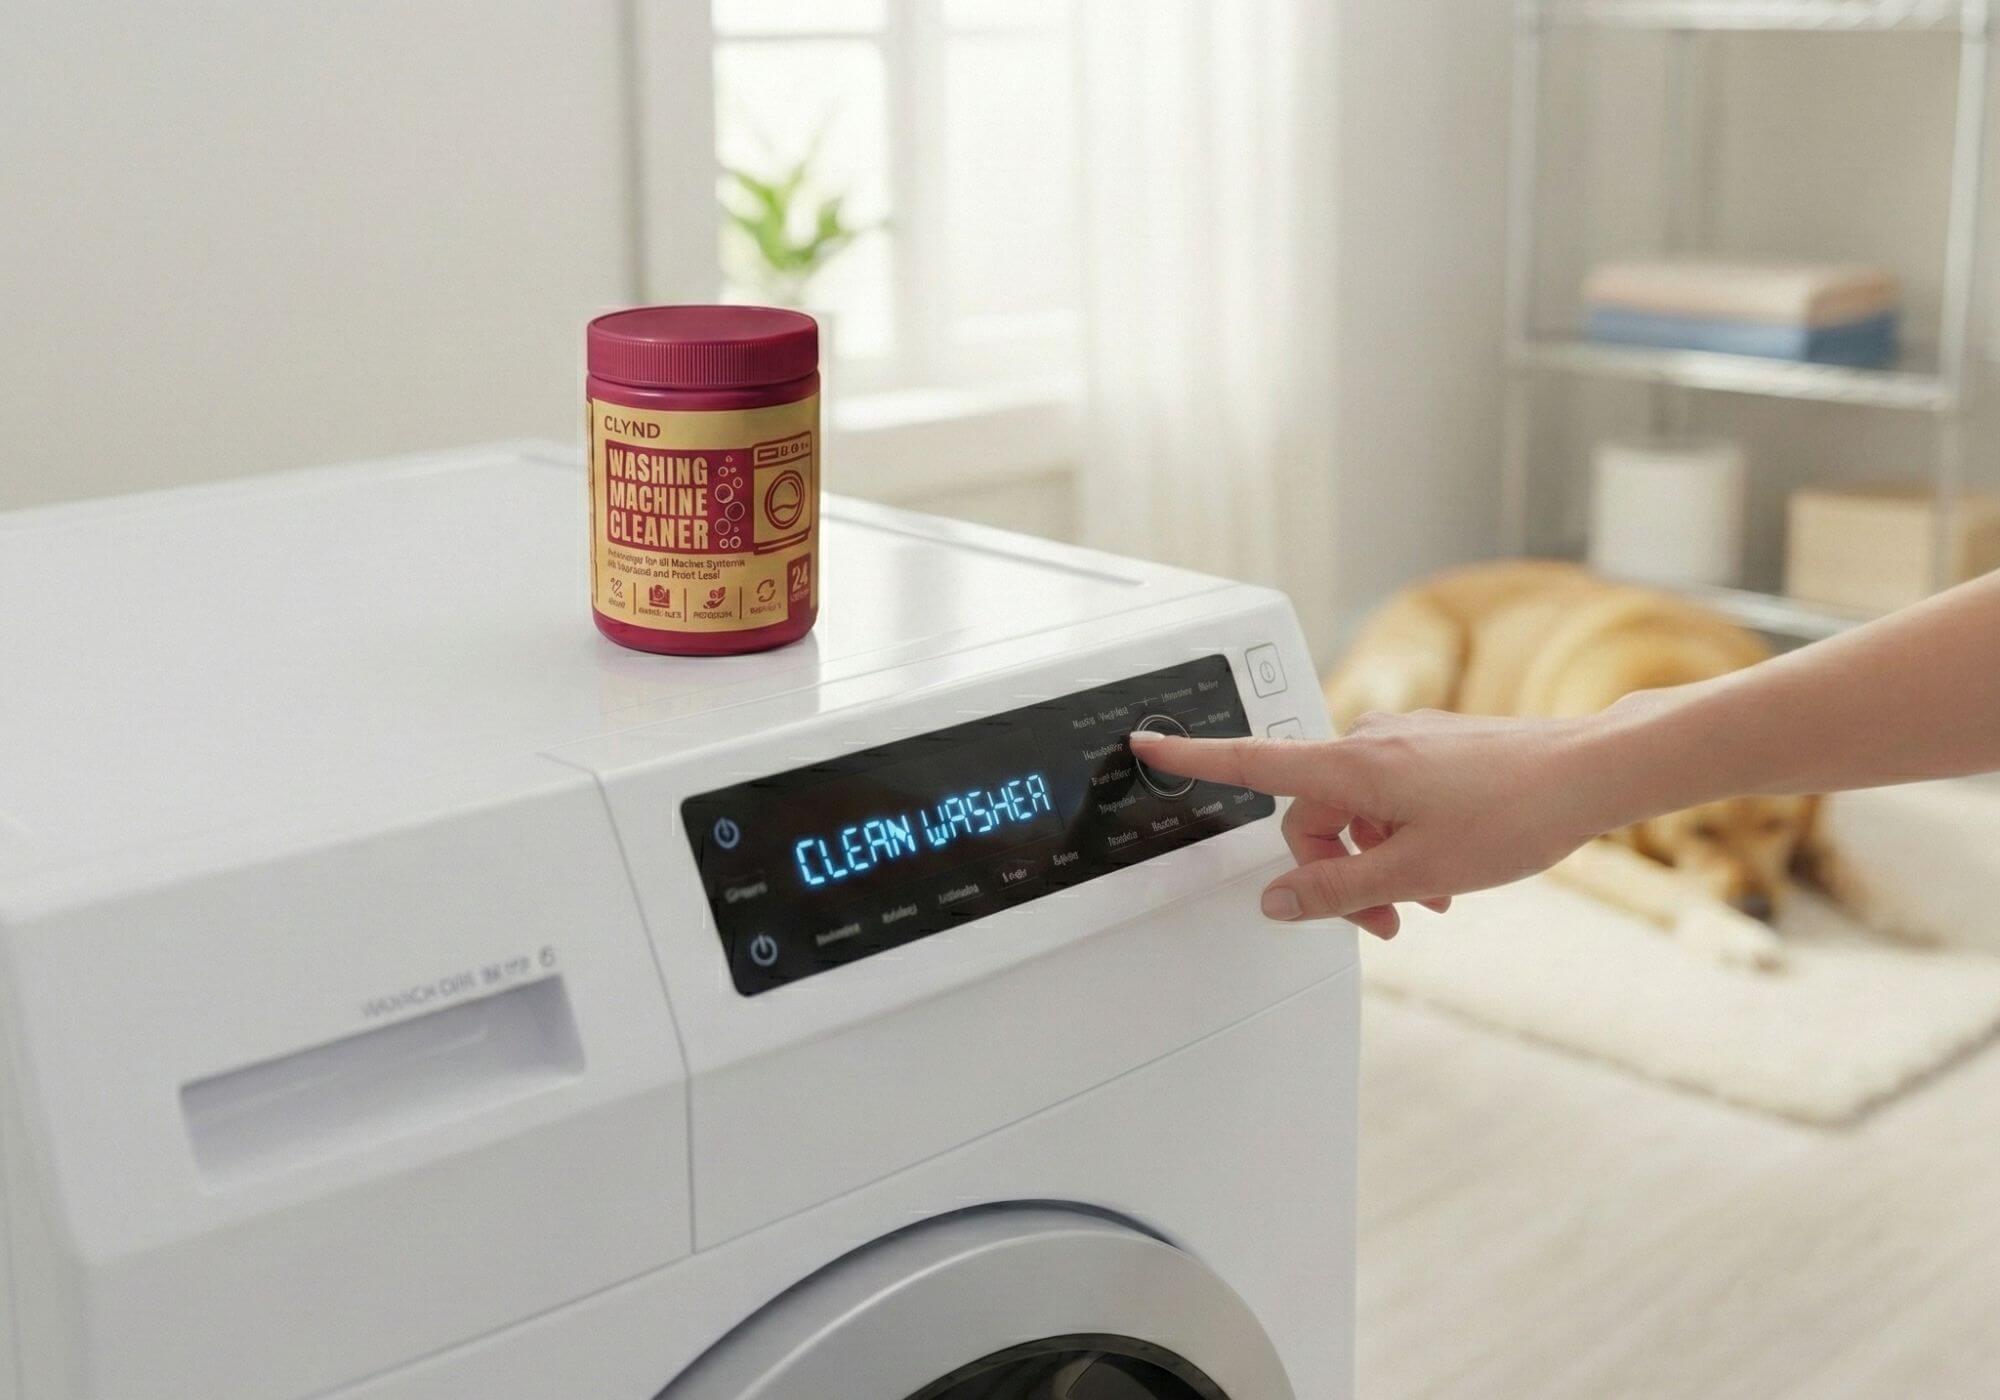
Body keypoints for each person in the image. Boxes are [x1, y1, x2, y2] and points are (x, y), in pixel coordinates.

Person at [1128, 571, 2000, 940]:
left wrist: (1577, 772)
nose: (1746, 872)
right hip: (1449, 621)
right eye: (1702, 839)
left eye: (1771, 834)